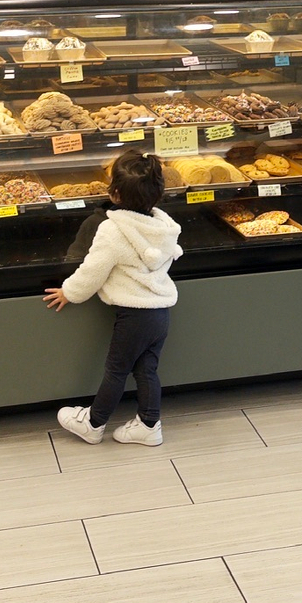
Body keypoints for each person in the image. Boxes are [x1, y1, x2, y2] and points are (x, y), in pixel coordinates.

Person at [44, 150, 182, 447]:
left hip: (133, 315)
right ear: (158, 194)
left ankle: (93, 423)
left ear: (115, 194)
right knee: (147, 370)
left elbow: (92, 271)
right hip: (160, 312)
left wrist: (69, 292)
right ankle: (149, 424)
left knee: (116, 370)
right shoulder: (164, 225)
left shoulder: (113, 229)